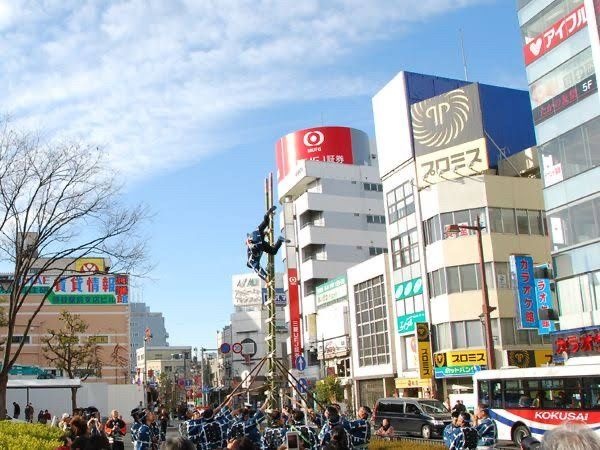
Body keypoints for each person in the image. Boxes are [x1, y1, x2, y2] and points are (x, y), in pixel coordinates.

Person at [246, 205, 287, 281]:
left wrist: (265, 278)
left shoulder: (251, 262)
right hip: (256, 235)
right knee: (265, 223)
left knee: (273, 251)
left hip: (257, 243)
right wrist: (266, 233)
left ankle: (280, 240)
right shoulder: (249, 253)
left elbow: (258, 271)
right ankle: (267, 215)